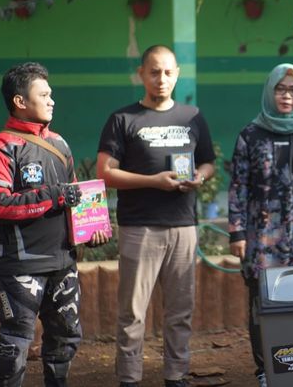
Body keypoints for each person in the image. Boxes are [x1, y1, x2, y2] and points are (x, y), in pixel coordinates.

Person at [0, 62, 109, 386]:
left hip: (63, 262)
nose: (52, 101)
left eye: (51, 94)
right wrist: (55, 196)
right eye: (44, 94)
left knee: (66, 337)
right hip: (20, 266)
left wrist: (89, 230)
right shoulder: (0, 148)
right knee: (15, 343)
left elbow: (75, 196)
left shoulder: (61, 145)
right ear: (20, 101)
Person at [96, 45, 216, 387]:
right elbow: (106, 171)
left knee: (180, 310)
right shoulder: (123, 119)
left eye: (167, 72)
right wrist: (153, 182)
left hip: (183, 227)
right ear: (141, 74)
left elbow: (207, 160)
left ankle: (176, 375)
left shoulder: (192, 116)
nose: (161, 79)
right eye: (153, 72)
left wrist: (200, 177)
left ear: (177, 74)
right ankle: (129, 378)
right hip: (139, 228)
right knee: (133, 312)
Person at [227, 63, 293, 387]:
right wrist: (237, 231)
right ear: (270, 91)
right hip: (262, 239)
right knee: (262, 305)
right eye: (281, 89)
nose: (287, 96)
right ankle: (265, 370)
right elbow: (239, 186)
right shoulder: (250, 135)